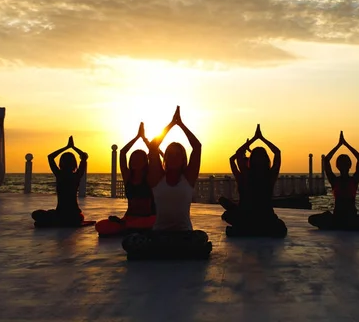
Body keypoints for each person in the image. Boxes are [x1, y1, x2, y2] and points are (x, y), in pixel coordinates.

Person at [122, 107, 212, 260]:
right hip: (159, 234)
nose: (173, 158)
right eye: (170, 154)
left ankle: (161, 252)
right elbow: (153, 146)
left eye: (178, 155)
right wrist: (171, 124)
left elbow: (197, 147)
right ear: (165, 158)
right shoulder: (157, 178)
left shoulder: (188, 178)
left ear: (184, 159)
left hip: (184, 234)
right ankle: (176, 252)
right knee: (129, 242)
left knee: (200, 237)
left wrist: (181, 124)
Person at [219, 124, 287, 238]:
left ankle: (246, 227)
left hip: (254, 219)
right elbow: (277, 153)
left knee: (233, 217)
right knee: (276, 228)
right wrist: (259, 138)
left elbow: (238, 154)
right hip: (257, 219)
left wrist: (255, 139)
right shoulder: (260, 175)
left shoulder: (251, 175)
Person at [95, 123, 157, 236]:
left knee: (142, 225)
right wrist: (137, 136)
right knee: (100, 226)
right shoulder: (128, 177)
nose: (135, 161)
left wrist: (144, 139)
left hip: (148, 219)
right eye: (133, 159)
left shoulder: (149, 177)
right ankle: (128, 226)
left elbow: (154, 153)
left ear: (145, 162)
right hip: (130, 219)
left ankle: (129, 227)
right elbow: (123, 153)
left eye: (139, 159)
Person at [308, 131, 359, 230]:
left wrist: (344, 144)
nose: (344, 166)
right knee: (312, 219)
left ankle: (340, 225)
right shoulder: (339, 181)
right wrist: (341, 145)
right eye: (342, 164)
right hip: (340, 218)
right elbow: (327, 161)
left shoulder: (351, 180)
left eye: (345, 164)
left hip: (347, 218)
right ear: (338, 166)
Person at [32, 136, 92, 228]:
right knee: (76, 218)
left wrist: (66, 147)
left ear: (61, 163)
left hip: (61, 215)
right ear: (74, 163)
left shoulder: (59, 175)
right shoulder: (76, 176)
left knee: (36, 215)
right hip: (74, 216)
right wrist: (73, 147)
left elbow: (50, 157)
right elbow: (84, 157)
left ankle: (55, 221)